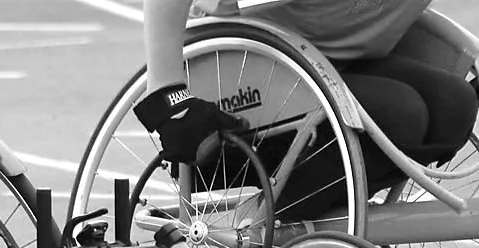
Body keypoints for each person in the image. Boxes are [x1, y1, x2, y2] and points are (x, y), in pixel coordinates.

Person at [135, 0, 479, 220]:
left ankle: (306, 213)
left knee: (453, 106)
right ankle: (270, 230)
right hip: (241, 80)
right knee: (400, 115)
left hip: (334, 62)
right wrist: (168, 93)